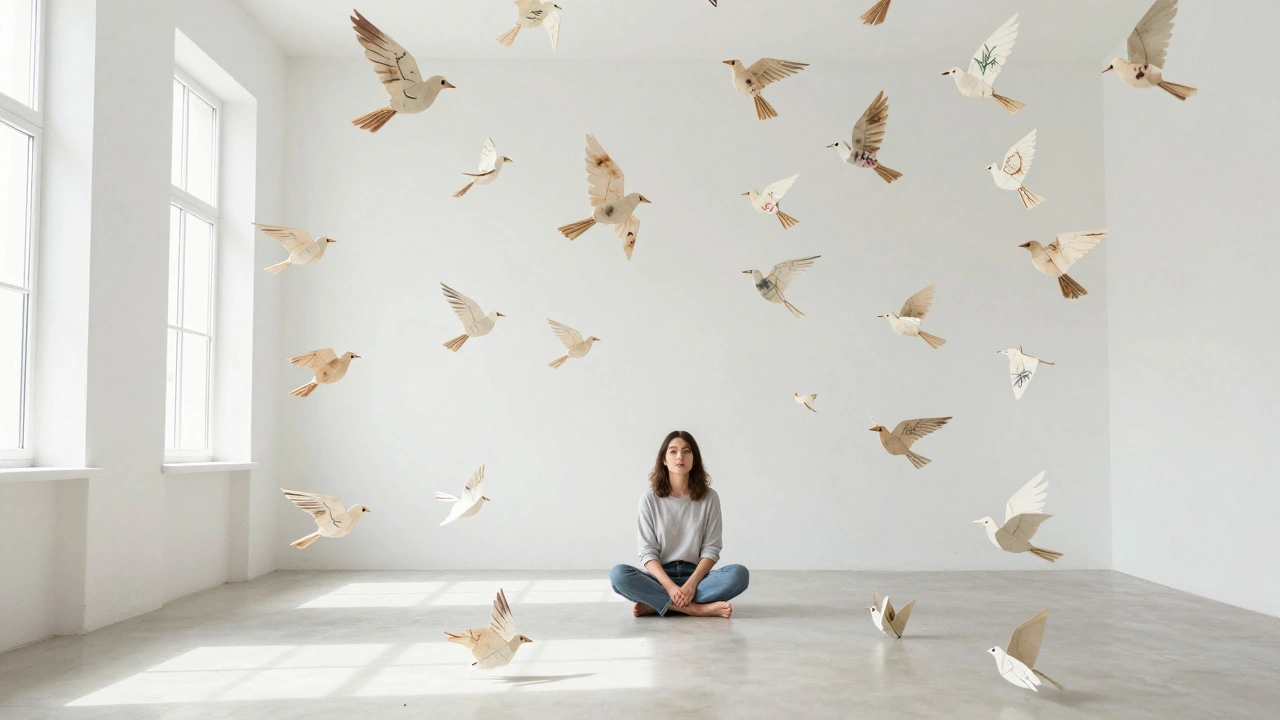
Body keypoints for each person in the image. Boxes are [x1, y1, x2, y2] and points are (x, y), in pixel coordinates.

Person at [609, 430, 749, 617]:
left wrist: (690, 585)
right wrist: (670, 587)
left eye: (687, 451)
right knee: (619, 575)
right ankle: (695, 609)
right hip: (660, 577)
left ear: (694, 459)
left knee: (739, 574)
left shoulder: (709, 498)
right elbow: (647, 552)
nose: (680, 456)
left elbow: (712, 549)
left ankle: (657, 603)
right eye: (673, 451)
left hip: (697, 576)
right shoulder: (649, 499)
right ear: (664, 460)